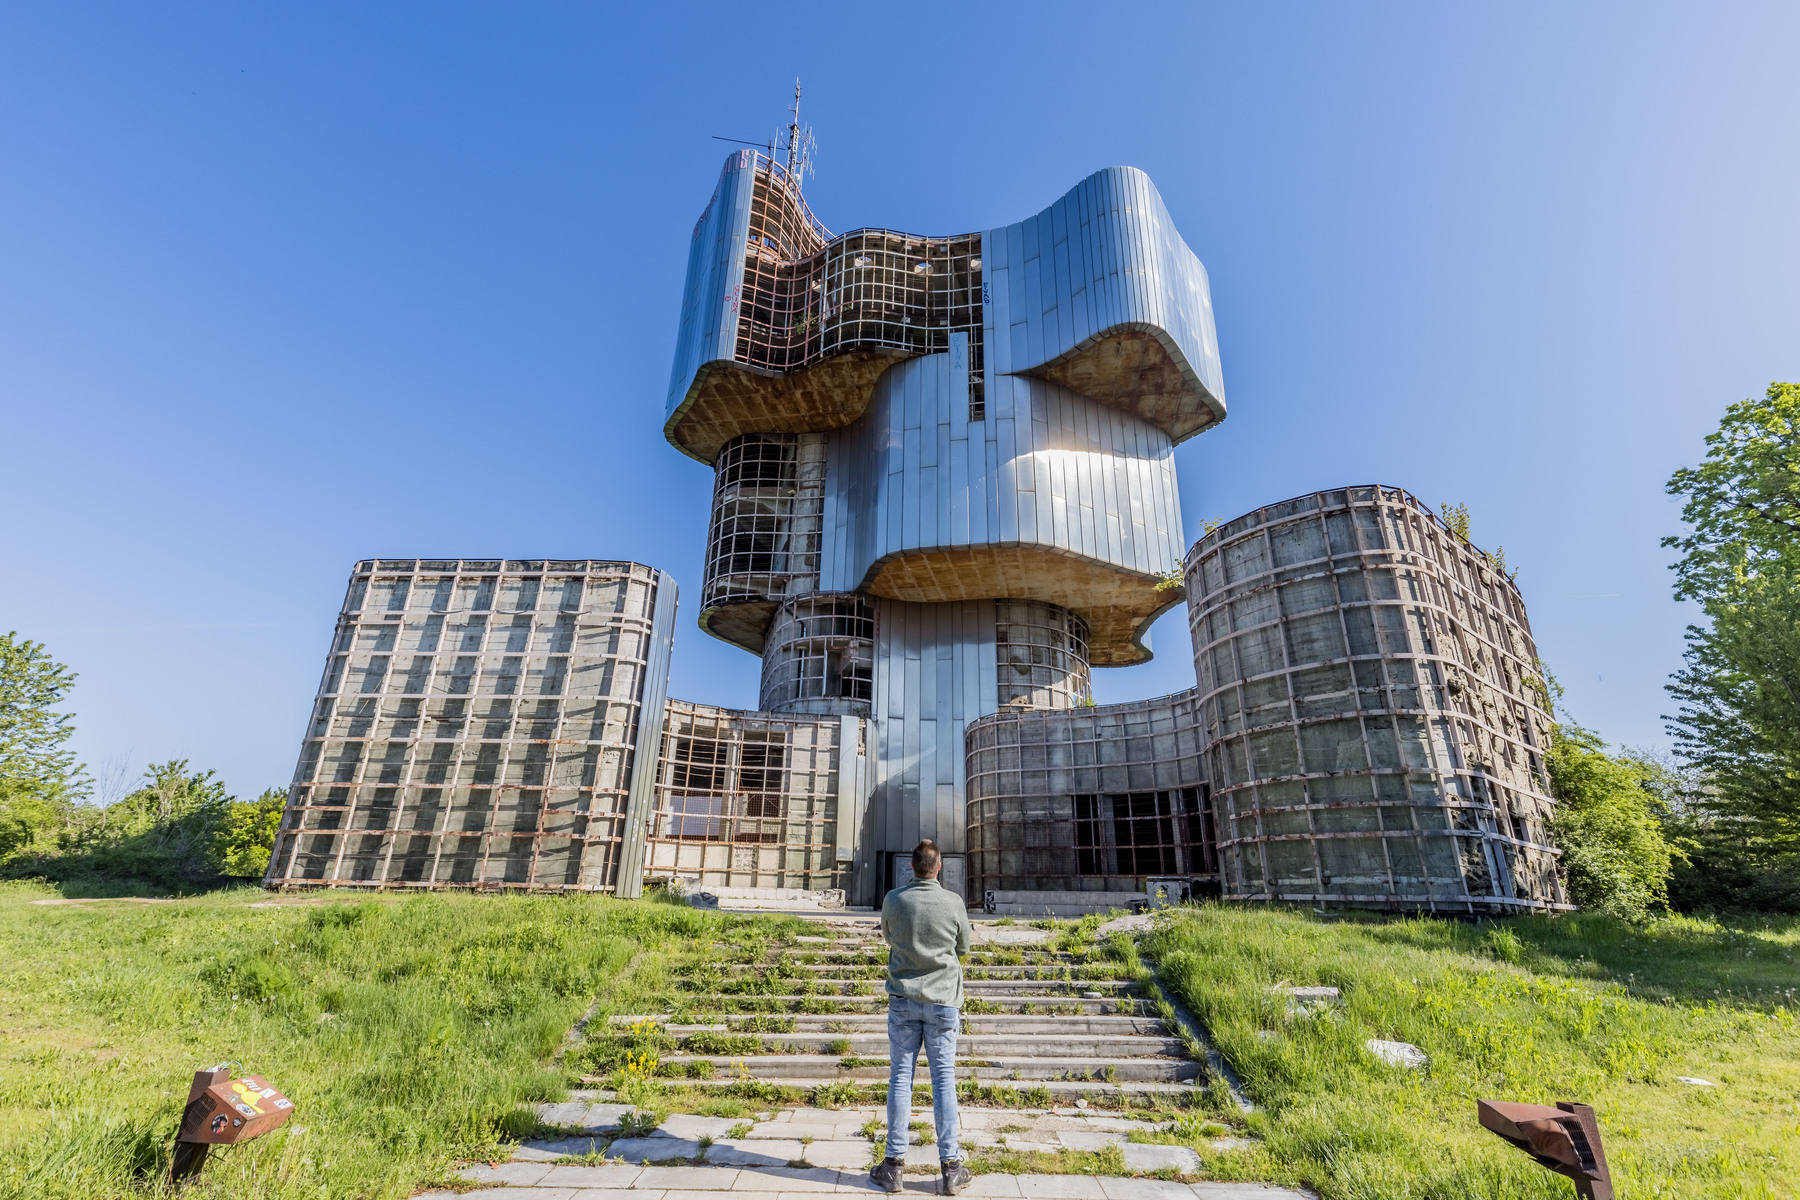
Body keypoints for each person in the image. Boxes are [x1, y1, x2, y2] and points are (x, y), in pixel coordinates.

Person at [870, 839, 973, 1196]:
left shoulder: (894, 900)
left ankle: (893, 1166)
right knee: (944, 1079)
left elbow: (889, 937)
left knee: (901, 1077)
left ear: (911, 868)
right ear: (939, 867)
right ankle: (951, 1168)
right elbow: (964, 947)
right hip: (944, 1000)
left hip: (903, 998)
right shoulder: (953, 902)